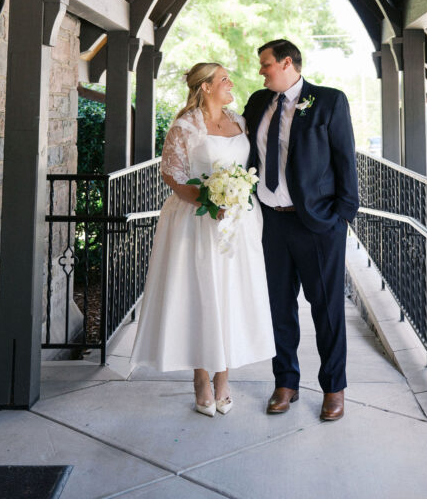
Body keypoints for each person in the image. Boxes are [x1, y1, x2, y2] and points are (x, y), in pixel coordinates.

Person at [130, 62, 275, 416]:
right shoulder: (185, 126)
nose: (231, 83)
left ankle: (223, 378)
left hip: (239, 223)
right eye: (224, 79)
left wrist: (233, 200)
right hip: (196, 221)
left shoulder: (240, 122)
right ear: (206, 87)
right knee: (200, 295)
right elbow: (173, 175)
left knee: (231, 295)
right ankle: (200, 378)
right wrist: (209, 201)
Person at [243, 39, 359, 422]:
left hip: (319, 224)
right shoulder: (258, 102)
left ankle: (333, 388)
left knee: (327, 309)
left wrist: (342, 216)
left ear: (287, 63)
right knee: (278, 306)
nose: (261, 71)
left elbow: (345, 159)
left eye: (266, 64)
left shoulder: (328, 101)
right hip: (271, 222)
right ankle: (286, 382)